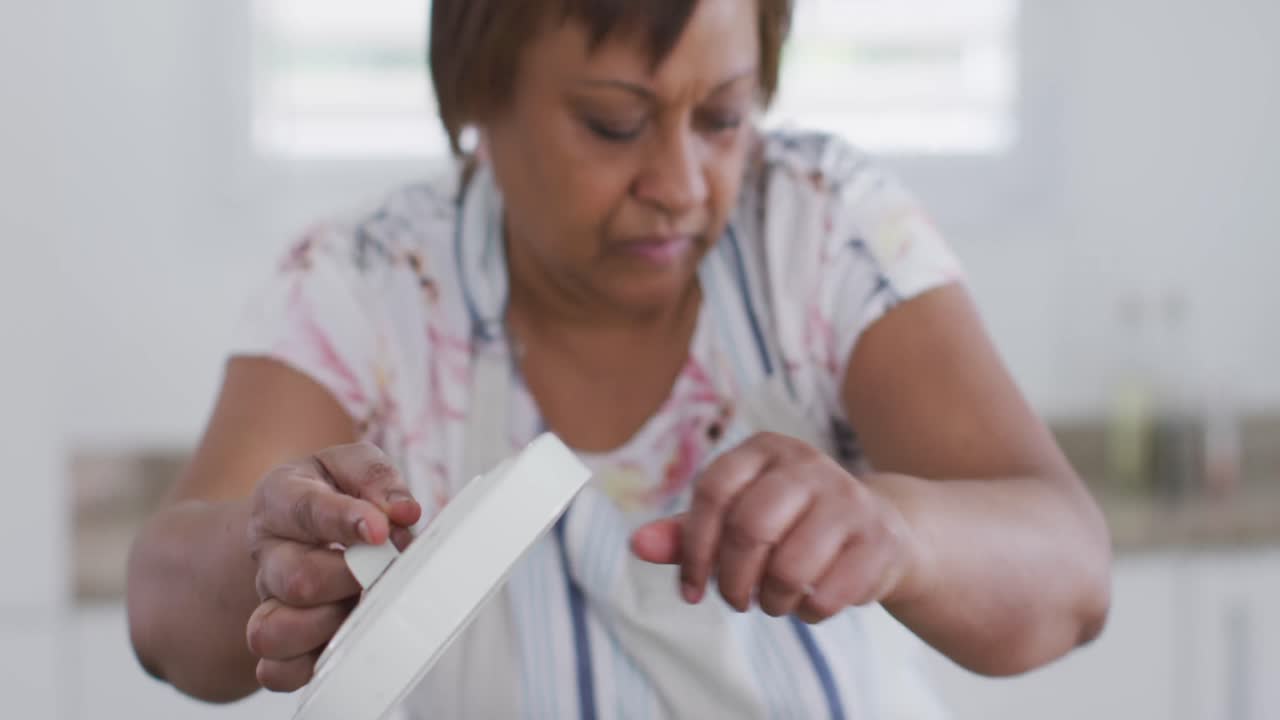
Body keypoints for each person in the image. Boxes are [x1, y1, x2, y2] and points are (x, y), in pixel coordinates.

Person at [126, 0, 1112, 717]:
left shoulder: (817, 230)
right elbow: (163, 617)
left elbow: (1069, 581)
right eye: (613, 124)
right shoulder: (368, 280)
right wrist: (265, 557)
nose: (680, 184)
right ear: (476, 99)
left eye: (722, 117)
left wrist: (898, 534)